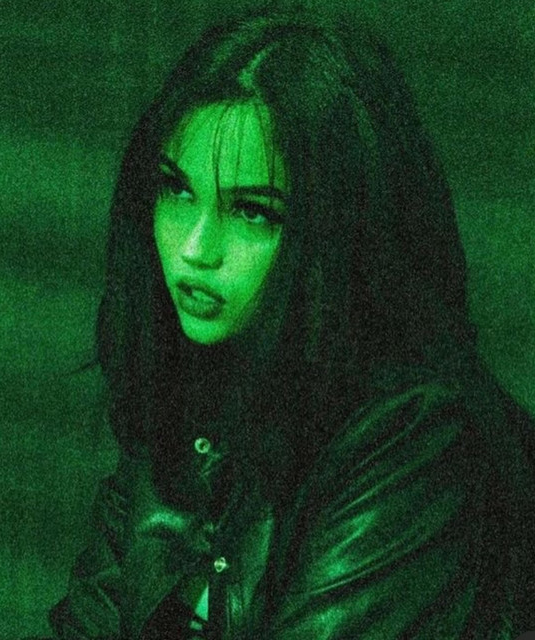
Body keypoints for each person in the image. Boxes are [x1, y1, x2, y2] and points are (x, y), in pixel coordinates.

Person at [47, 7, 535, 639]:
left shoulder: (414, 434)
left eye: (253, 212)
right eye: (176, 190)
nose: (195, 248)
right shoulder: (184, 387)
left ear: (337, 233)